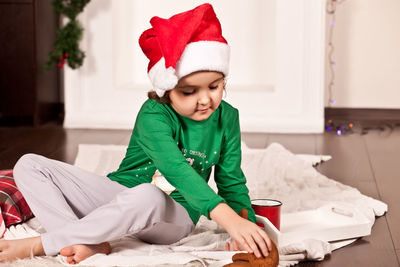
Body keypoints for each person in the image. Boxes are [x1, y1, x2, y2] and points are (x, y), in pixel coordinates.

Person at [0, 3, 272, 264]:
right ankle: (85, 242)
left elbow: (231, 182)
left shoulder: (228, 117)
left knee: (148, 196)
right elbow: (173, 165)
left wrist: (243, 224)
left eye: (214, 87)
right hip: (121, 194)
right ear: (167, 89)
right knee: (29, 165)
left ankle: (46, 243)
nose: (205, 100)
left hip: (174, 216)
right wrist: (224, 215)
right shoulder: (153, 113)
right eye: (190, 92)